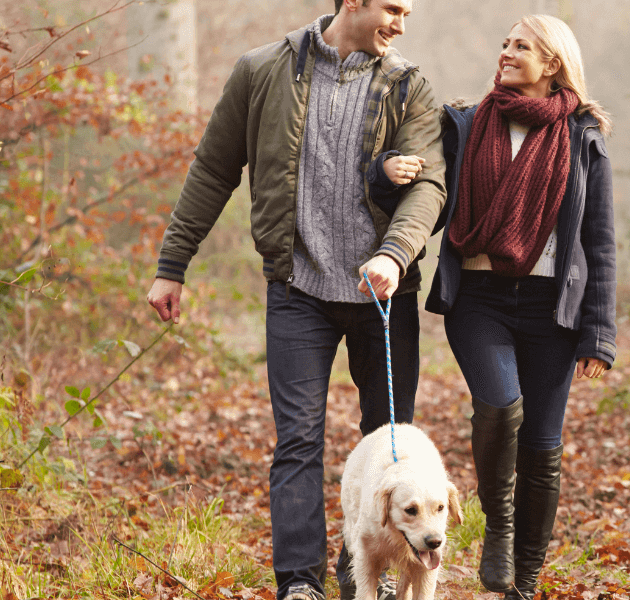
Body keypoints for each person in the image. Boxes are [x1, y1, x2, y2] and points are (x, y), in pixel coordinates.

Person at [144, 1, 445, 598]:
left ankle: (372, 574)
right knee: (298, 441)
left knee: (388, 442)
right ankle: (299, 582)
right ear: (353, 1)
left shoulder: (410, 86)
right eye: (392, 8)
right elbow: (212, 171)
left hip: (383, 293)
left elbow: (429, 185)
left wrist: (394, 253)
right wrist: (172, 264)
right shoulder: (260, 71)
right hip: (296, 288)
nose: (401, 24)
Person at [422, 14, 616, 600]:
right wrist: (388, 176)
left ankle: (525, 582)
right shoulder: (466, 123)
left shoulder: (581, 136)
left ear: (552, 63)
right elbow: (425, 198)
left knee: (543, 447)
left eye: (521, 46)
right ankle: (498, 523)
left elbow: (599, 241)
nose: (506, 53)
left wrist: (598, 334)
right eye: (505, 44)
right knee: (501, 406)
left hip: (552, 309)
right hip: (479, 299)